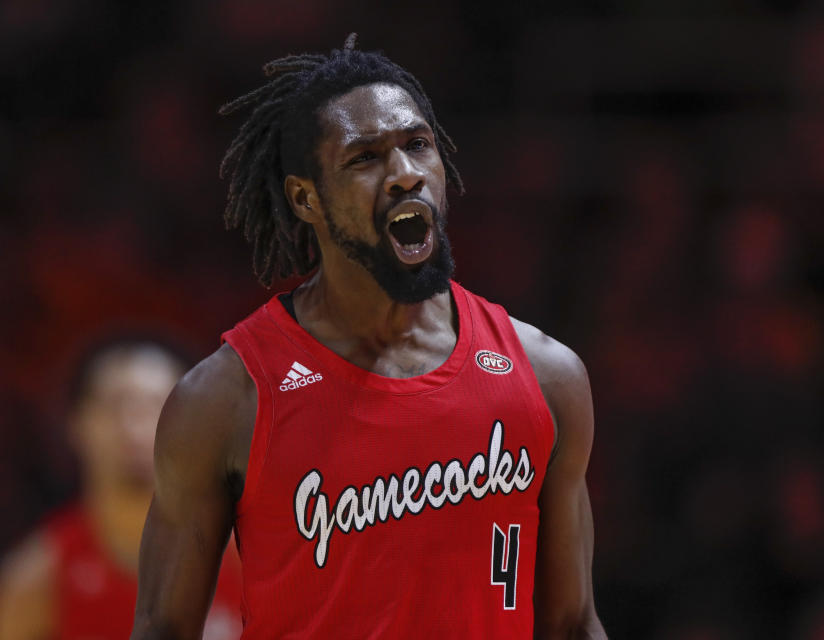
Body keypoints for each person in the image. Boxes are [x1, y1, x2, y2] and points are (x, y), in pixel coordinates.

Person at [132, 34, 606, 639]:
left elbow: (574, 624)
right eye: (366, 158)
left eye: (418, 145)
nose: (405, 174)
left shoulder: (547, 376)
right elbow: (162, 629)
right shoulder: (226, 400)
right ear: (306, 199)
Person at [0, 338, 243, 639]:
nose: (134, 424)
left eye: (158, 404)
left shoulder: (250, 556)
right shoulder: (39, 579)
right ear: (77, 424)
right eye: (117, 404)